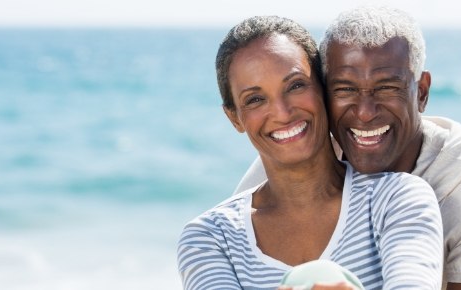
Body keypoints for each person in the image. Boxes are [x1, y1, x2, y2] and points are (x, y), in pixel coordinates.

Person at [234, 6, 461, 289]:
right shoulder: (291, 165)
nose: (365, 112)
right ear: (323, 93)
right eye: (345, 89)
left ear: (422, 92)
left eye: (387, 88)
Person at [177, 15, 443, 290]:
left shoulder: (397, 199)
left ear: (324, 89)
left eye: (296, 85)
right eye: (255, 99)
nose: (282, 112)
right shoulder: (210, 238)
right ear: (234, 118)